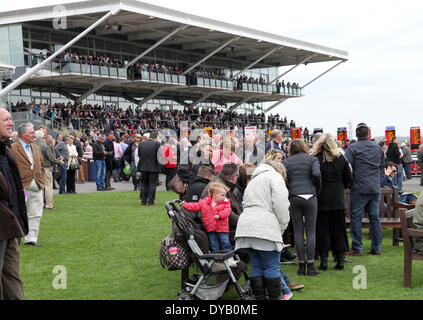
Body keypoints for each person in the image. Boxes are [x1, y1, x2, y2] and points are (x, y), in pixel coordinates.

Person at [235, 159, 290, 300]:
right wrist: (283, 226)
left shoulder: (254, 180)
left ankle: (260, 298)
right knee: (272, 266)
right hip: (265, 226)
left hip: (246, 227)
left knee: (257, 266)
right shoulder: (275, 177)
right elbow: (281, 204)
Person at [312, 133, 353, 270]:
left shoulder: (315, 159)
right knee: (339, 229)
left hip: (321, 196)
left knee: (322, 229)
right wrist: (341, 186)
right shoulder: (341, 158)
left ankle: (324, 260)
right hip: (337, 196)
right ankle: (340, 259)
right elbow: (349, 178)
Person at [0, 106, 28, 300]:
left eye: (11, 118)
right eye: (5, 120)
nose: (11, 123)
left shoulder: (6, 151)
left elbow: (13, 191)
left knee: (12, 277)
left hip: (10, 223)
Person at [345, 123, 385, 256]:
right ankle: (377, 248)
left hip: (359, 187)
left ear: (356, 134)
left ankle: (357, 248)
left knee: (356, 217)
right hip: (374, 187)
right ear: (368, 133)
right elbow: (382, 167)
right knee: (375, 218)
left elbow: (347, 167)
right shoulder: (377, 148)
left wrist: (350, 183)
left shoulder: (352, 148)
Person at [284, 139, 321, 276]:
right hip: (310, 195)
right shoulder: (312, 159)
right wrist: (317, 189)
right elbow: (317, 174)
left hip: (294, 196)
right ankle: (310, 266)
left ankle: (301, 266)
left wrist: (290, 189)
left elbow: (285, 178)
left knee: (298, 231)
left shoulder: (287, 162)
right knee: (311, 231)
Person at [10, 123, 45, 247]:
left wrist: (41, 179)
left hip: (37, 185)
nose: (34, 135)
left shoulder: (36, 148)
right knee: (18, 212)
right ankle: (16, 237)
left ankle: (31, 239)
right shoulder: (12, 148)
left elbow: (41, 165)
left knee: (36, 213)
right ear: (23, 134)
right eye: (31, 133)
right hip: (21, 186)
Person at [183, 182, 232, 252]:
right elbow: (195, 206)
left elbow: (228, 210)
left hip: (222, 228)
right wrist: (185, 204)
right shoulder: (204, 202)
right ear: (214, 195)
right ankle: (216, 255)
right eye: (222, 195)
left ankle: (228, 254)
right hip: (210, 227)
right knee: (213, 243)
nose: (224, 197)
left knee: (225, 241)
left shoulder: (225, 203)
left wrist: (220, 215)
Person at [201, 162, 242, 243]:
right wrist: (243, 223)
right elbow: (228, 214)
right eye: (237, 176)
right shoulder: (219, 187)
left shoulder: (220, 182)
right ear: (234, 177)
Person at [33, 131, 64, 209]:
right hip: (45, 168)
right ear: (43, 137)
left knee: (37, 187)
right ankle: (49, 204)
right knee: (48, 187)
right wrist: (60, 161)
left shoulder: (31, 144)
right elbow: (51, 158)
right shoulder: (45, 146)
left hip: (34, 168)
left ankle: (39, 204)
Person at [137, 131, 161, 206]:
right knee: (152, 185)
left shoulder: (141, 144)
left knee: (144, 184)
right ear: (155, 138)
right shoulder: (157, 144)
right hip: (154, 167)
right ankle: (151, 202)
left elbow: (139, 155)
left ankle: (143, 201)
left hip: (143, 167)